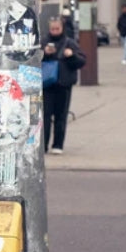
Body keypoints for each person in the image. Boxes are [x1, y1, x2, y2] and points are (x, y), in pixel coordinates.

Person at [41, 15, 86, 154]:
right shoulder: (43, 41)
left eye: (57, 28)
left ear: (62, 28)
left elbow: (81, 61)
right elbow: (32, 60)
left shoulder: (69, 42)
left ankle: (58, 145)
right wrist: (44, 54)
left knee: (61, 115)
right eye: (52, 29)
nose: (54, 31)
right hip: (47, 85)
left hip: (63, 84)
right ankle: (43, 145)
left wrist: (71, 55)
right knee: (45, 116)